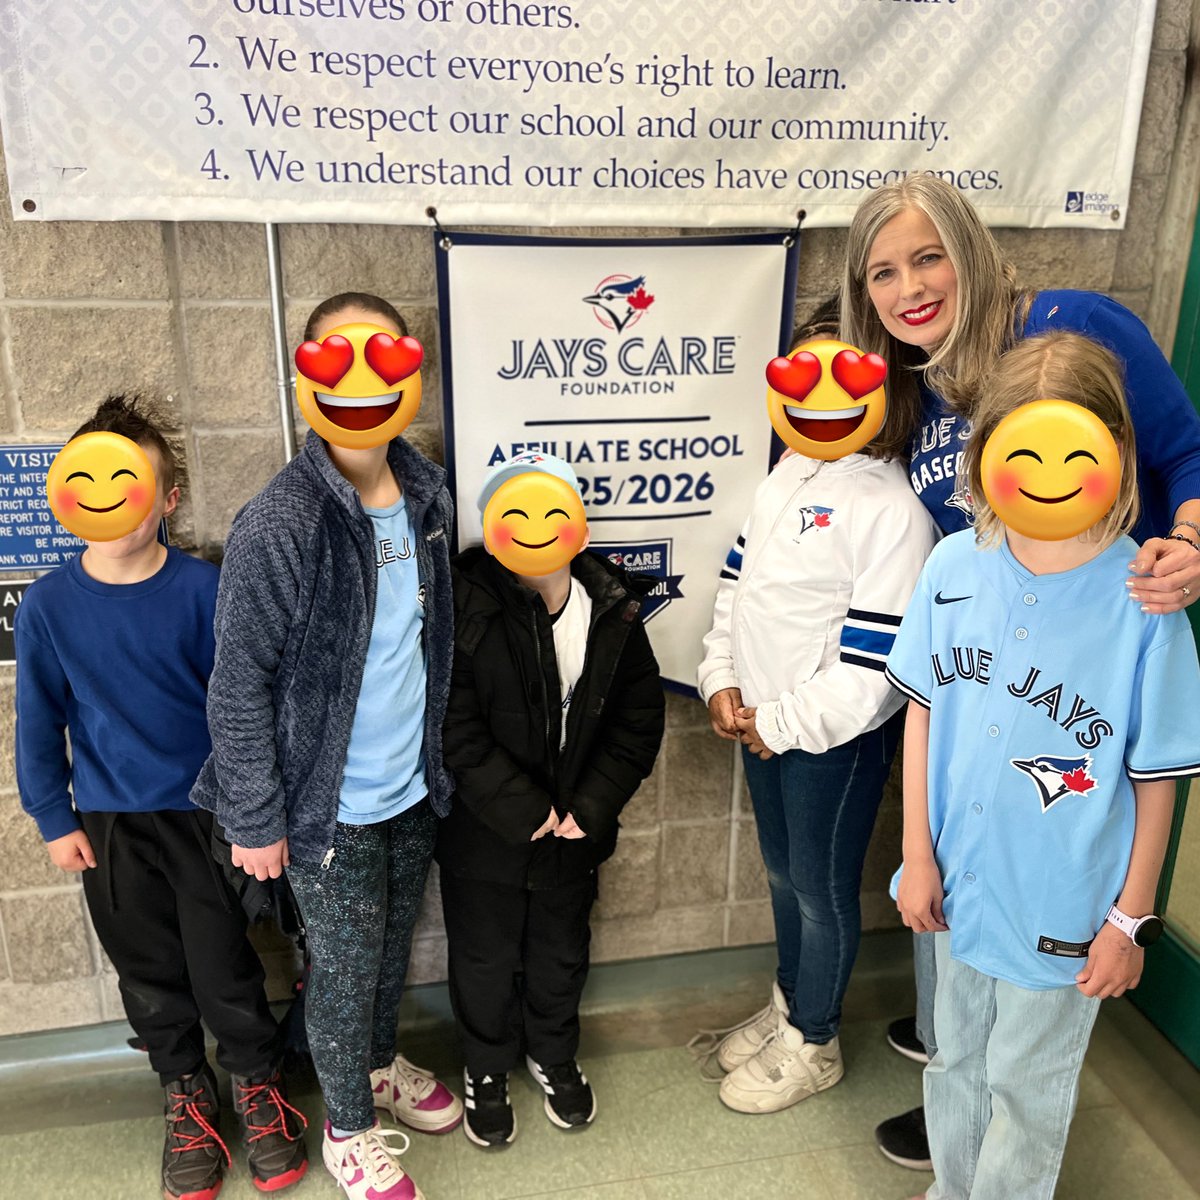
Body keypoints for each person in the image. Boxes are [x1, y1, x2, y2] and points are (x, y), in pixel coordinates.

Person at [840, 174, 1200, 1169]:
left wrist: (1131, 916)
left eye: (927, 256)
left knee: (1025, 1087)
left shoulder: (1139, 605)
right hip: (960, 863)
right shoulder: (949, 533)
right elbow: (923, 707)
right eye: (883, 271)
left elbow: (1156, 771)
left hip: (1062, 890)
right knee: (954, 1055)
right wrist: (917, 851)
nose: (909, 286)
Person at [191, 293, 461, 1200]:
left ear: (409, 375)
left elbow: (431, 643)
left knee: (389, 951)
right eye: (334, 360)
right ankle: (349, 1127)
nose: (359, 379)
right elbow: (236, 685)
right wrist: (256, 815)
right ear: (304, 376)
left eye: (380, 358)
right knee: (341, 973)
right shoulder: (283, 519)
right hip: (324, 805)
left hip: (410, 788)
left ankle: (376, 1068)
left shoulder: (426, 494)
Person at [15, 395, 307, 1200]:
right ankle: (186, 1094)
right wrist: (52, 815)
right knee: (146, 968)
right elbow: (38, 718)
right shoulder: (45, 607)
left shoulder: (204, 591)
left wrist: (261, 806)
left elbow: (249, 707)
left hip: (206, 817)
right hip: (108, 825)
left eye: (131, 479)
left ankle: (255, 1081)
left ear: (167, 497)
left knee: (224, 964)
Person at [697, 318, 938, 1113]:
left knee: (821, 892)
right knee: (782, 876)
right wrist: (721, 680)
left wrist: (782, 723)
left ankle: (816, 1042)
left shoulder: (891, 509)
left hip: (829, 744)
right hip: (759, 727)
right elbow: (737, 592)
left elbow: (876, 673)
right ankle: (789, 1005)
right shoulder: (783, 476)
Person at [436, 451, 665, 1147]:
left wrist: (588, 809)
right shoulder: (464, 606)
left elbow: (637, 723)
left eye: (553, 512)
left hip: (575, 833)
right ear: (491, 526)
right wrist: (523, 809)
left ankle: (553, 1053)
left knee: (561, 951)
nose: (536, 529)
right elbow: (453, 727)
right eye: (518, 515)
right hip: (485, 836)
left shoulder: (616, 609)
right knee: (481, 955)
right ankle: (484, 1066)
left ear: (580, 526)